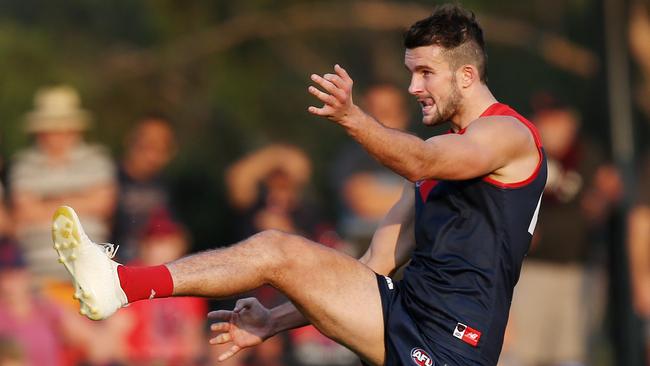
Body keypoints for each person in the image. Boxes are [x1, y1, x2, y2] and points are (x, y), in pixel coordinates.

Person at [51, 5, 545, 366]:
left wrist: (354, 118)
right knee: (276, 251)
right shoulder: (440, 166)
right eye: (410, 72)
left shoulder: (507, 134)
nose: (413, 87)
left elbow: (419, 159)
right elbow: (371, 266)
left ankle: (120, 285)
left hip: (453, 345)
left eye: (424, 73)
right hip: (400, 311)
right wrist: (273, 322)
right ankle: (121, 284)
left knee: (278, 250)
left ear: (465, 75)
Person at [9, 85, 116, 283]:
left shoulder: (97, 159)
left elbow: (103, 204)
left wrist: (46, 203)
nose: (56, 134)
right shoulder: (24, 164)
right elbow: (24, 210)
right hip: (37, 273)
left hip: (91, 271)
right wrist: (80, 201)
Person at [331, 84, 410, 256]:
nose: (380, 121)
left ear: (403, 115)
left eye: (388, 112)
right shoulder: (351, 157)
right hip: (362, 248)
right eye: (374, 113)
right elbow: (363, 202)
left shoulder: (421, 154)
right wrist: (410, 197)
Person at [112, 116, 177, 262]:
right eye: (146, 145)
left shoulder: (166, 184)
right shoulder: (108, 175)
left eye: (161, 147)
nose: (152, 154)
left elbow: (177, 232)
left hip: (148, 263)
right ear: (130, 141)